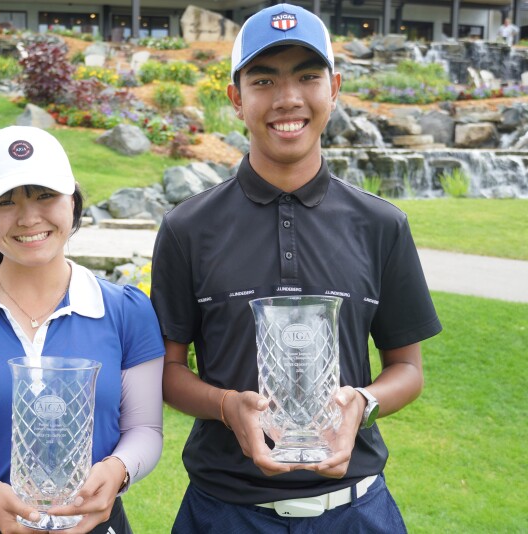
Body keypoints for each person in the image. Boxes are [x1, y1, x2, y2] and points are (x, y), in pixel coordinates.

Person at [150, 4, 442, 532]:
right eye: (264, 79)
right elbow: (168, 374)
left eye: (308, 77)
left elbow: (408, 369)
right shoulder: (187, 229)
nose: (288, 99)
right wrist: (226, 406)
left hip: (355, 511)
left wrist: (364, 402)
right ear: (236, 97)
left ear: (334, 88)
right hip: (224, 511)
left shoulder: (381, 224)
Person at [0, 125, 165, 534]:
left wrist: (118, 470)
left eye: (45, 196)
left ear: (72, 203)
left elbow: (144, 430)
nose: (28, 217)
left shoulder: (126, 311)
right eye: (5, 202)